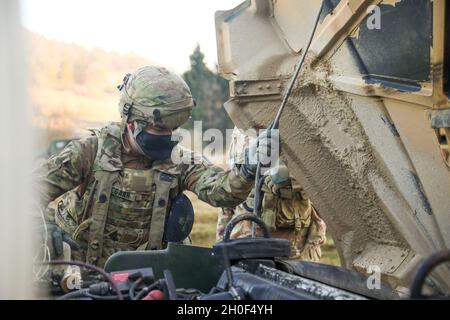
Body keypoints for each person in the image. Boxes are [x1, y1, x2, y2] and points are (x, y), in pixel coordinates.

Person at [34, 66, 276, 267]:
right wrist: (44, 228)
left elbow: (221, 191)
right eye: (160, 129)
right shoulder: (89, 153)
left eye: (174, 129)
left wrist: (247, 168)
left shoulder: (180, 161)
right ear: (131, 123)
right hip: (83, 276)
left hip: (147, 280)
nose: (169, 136)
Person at [216, 127, 327, 261]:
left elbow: (322, 173)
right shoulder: (241, 125)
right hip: (241, 242)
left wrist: (285, 177)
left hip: (292, 248)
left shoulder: (298, 122)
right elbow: (231, 185)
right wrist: (222, 241)